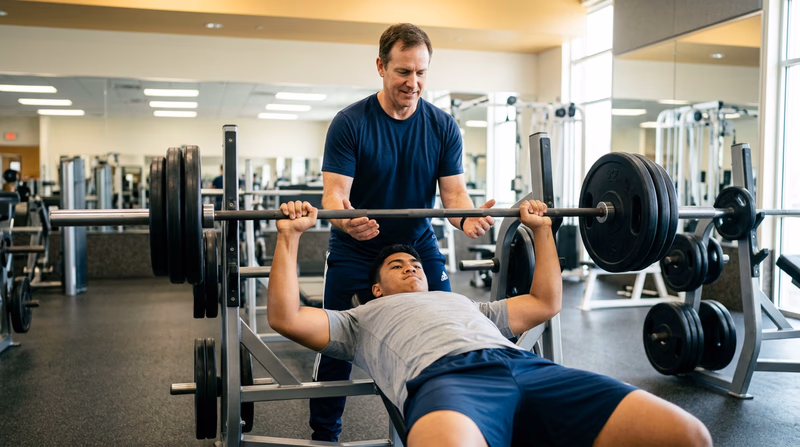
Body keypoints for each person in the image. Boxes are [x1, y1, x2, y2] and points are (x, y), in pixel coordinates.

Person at [269, 200, 713, 447]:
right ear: (378, 288)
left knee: (687, 435)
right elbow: (285, 317)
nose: (411, 268)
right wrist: (289, 237)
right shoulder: (358, 319)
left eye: (416, 263)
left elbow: (545, 301)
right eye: (397, 266)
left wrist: (541, 230)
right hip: (447, 381)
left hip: (526, 368)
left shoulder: (468, 305)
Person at [316, 22, 495, 441]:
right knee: (334, 343)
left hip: (415, 245)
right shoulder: (350, 123)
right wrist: (348, 220)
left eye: (421, 72)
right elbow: (334, 195)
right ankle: (323, 435)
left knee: (450, 331)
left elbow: (453, 195)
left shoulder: (442, 126)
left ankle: (446, 425)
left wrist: (466, 217)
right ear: (381, 66)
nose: (413, 83)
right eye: (403, 72)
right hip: (355, 247)